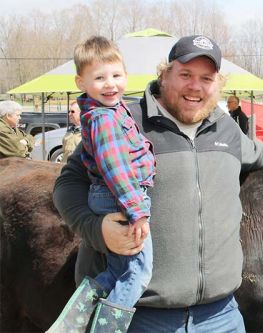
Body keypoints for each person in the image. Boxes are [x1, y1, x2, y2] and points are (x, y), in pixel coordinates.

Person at [53, 34, 263, 333]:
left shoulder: (227, 129)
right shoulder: (123, 120)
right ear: (164, 74)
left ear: (218, 84)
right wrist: (96, 229)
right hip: (139, 318)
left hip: (221, 317)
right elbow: (67, 185)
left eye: (206, 77)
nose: (195, 86)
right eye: (186, 74)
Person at [48, 36, 156, 333]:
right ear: (81, 82)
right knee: (138, 273)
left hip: (110, 198)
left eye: (116, 76)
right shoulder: (104, 119)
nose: (110, 84)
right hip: (117, 199)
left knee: (116, 271)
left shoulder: (114, 111)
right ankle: (106, 329)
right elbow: (116, 169)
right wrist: (137, 211)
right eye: (99, 78)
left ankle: (74, 319)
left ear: (126, 75)